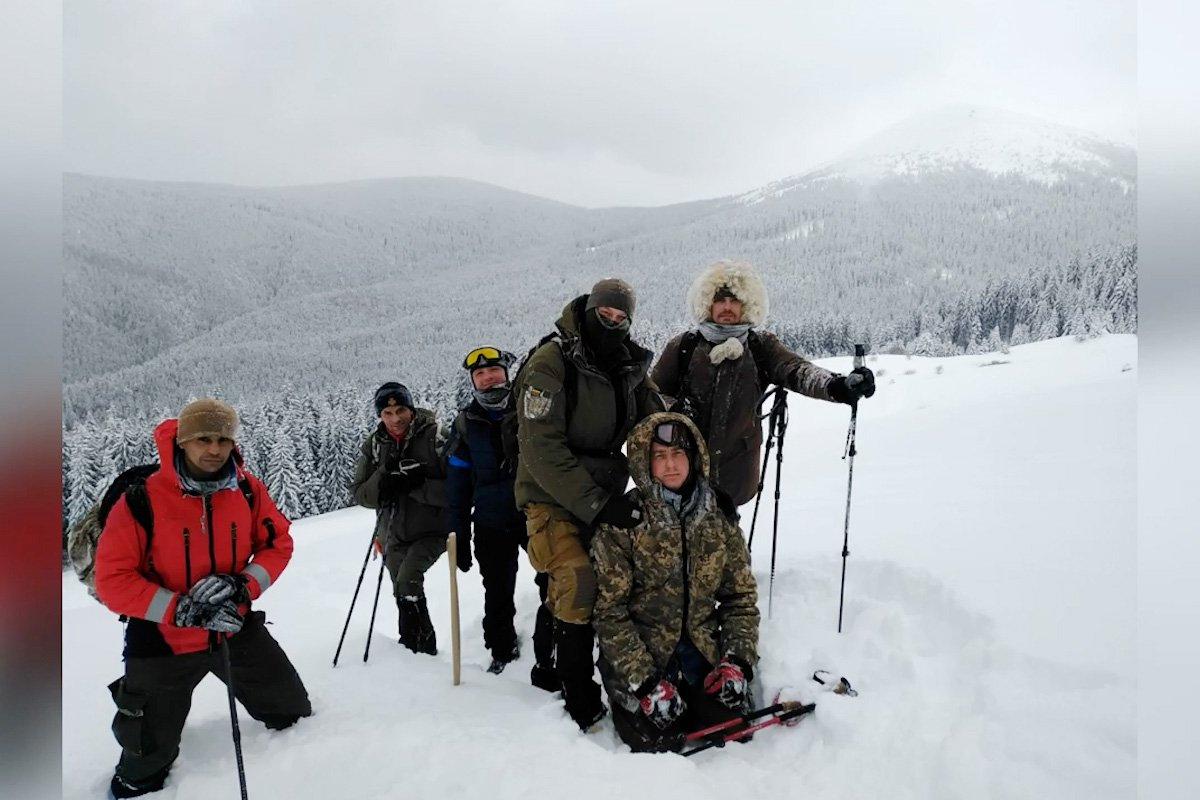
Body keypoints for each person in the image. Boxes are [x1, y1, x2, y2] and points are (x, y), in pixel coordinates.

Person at [93, 398, 311, 798]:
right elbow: (112, 580)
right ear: (181, 442)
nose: (215, 449)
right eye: (203, 439)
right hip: (162, 640)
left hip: (233, 626)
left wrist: (243, 585)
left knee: (292, 712)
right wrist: (183, 610)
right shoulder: (142, 499)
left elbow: (277, 543)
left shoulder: (245, 489)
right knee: (141, 771)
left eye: (224, 439)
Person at [514, 277, 666, 731]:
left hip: (602, 494)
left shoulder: (626, 365)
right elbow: (540, 450)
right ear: (588, 311)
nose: (612, 324)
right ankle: (577, 692)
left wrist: (689, 471)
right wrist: (599, 506)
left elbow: (655, 420)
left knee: (611, 581)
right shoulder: (552, 362)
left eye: (622, 319)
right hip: (548, 497)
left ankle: (554, 665)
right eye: (605, 315)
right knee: (576, 578)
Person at [591, 412, 759, 753]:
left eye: (678, 453)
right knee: (658, 741)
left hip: (701, 652)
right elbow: (610, 612)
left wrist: (737, 663)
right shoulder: (622, 522)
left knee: (734, 727)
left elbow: (739, 597)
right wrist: (644, 682)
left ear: (694, 456)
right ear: (644, 462)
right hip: (645, 656)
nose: (670, 464)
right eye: (659, 456)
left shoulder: (718, 515)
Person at [652, 260, 877, 507]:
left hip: (736, 473)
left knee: (725, 539)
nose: (727, 307)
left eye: (735, 300)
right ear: (707, 303)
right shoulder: (684, 347)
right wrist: (676, 412)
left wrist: (838, 386)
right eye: (720, 300)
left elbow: (797, 371)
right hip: (683, 469)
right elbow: (652, 394)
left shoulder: (761, 346)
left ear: (747, 304)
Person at [446, 346, 554, 680]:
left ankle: (553, 641)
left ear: (506, 373)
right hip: (491, 522)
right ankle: (501, 648)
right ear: (473, 382)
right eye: (480, 374)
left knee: (550, 579)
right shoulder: (466, 424)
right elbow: (457, 485)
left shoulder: (529, 409)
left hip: (532, 514)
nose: (488, 377)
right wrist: (458, 533)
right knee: (497, 589)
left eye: (493, 371)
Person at [350, 382, 448, 655]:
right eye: (387, 412)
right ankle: (414, 649)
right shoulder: (374, 445)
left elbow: (461, 490)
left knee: (408, 581)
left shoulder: (436, 437)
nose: (395, 418)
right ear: (380, 415)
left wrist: (417, 485)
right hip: (392, 533)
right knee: (401, 590)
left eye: (401, 409)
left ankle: (423, 650)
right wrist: (384, 477)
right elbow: (361, 495)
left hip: (434, 530)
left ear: (411, 409)